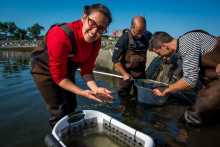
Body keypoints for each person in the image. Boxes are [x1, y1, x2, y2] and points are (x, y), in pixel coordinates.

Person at [30, 4, 113, 128]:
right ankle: (59, 137)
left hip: (67, 72)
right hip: (44, 71)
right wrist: (83, 92)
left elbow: (86, 70)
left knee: (72, 104)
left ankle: (72, 134)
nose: (95, 31)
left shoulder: (96, 40)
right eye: (92, 23)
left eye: (101, 29)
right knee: (60, 110)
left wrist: (95, 89)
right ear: (84, 17)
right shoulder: (60, 35)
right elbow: (58, 77)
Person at [149, 30, 220, 126]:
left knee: (191, 117)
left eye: (159, 53)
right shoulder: (184, 42)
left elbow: (190, 81)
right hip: (215, 80)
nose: (160, 56)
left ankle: (180, 137)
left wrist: (165, 89)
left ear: (164, 46)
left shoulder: (187, 44)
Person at [112, 16, 152, 97]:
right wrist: (124, 73)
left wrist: (164, 55)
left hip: (141, 75)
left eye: (143, 32)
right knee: (123, 96)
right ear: (131, 28)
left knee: (139, 96)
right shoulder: (124, 38)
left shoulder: (148, 36)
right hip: (126, 74)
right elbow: (114, 58)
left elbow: (157, 46)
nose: (140, 36)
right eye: (137, 33)